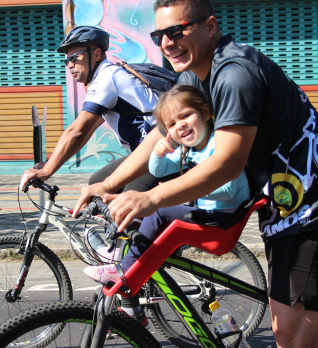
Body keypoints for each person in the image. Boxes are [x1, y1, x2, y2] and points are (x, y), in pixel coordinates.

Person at [74, 0, 318, 348]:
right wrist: (109, 184)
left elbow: (227, 164)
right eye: (159, 35)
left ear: (210, 26)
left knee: (294, 343)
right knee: (300, 334)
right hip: (288, 210)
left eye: (178, 31)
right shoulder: (196, 75)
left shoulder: (234, 74)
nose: (168, 43)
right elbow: (159, 136)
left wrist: (151, 199)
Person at [82, 85, 250, 321]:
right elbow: (158, 171)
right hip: (207, 213)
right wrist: (158, 153)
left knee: (158, 212)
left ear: (205, 112)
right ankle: (128, 262)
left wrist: (184, 194)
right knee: (152, 217)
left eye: (185, 116)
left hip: (223, 218)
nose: (179, 125)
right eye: (171, 124)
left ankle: (123, 269)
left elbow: (228, 190)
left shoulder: (217, 146)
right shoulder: (188, 149)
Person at [21, 25, 165, 193]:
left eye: (74, 58)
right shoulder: (108, 76)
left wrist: (46, 171)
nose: (70, 65)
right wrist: (51, 163)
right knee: (97, 181)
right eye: (67, 61)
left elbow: (77, 131)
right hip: (145, 152)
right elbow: (86, 131)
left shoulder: (107, 77)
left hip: (160, 151)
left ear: (96, 54)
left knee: (126, 204)